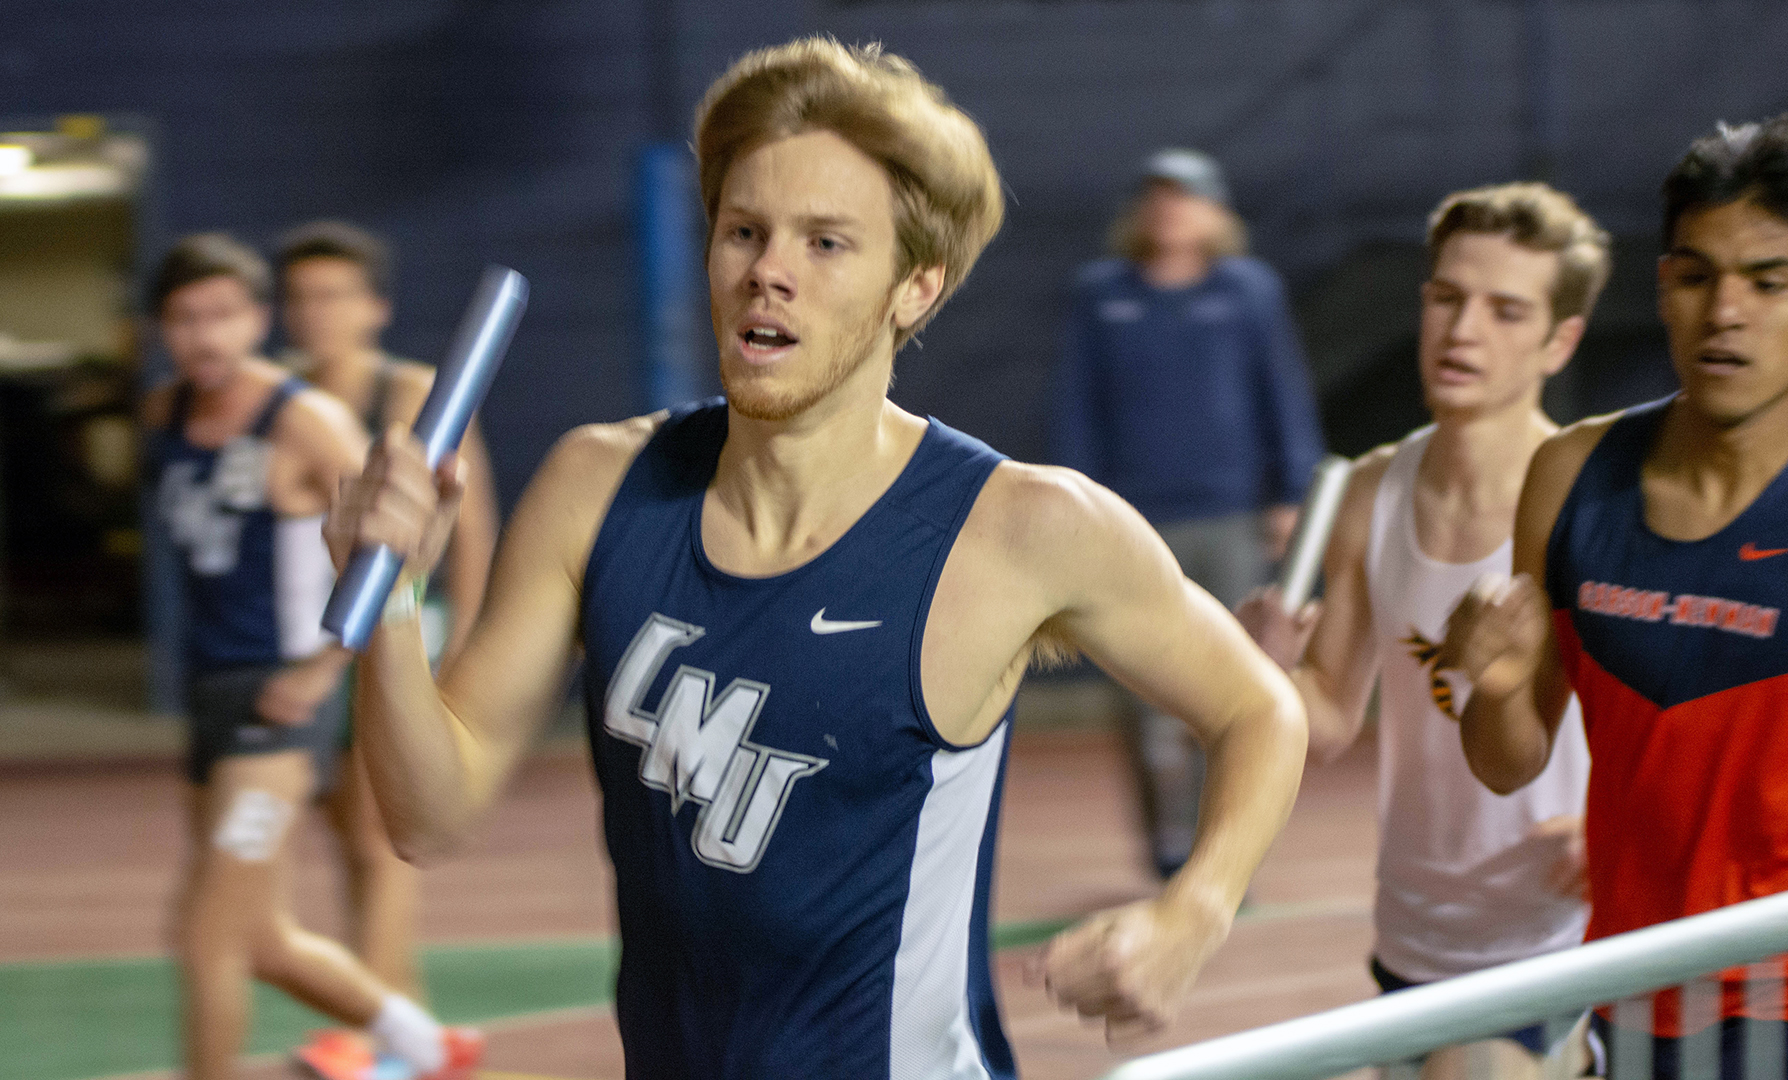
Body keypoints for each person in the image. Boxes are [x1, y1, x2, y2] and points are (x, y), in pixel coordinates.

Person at [327, 38, 1308, 1076]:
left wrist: (1195, 910)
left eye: (826, 243)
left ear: (914, 288)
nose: (768, 272)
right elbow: (428, 817)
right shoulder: (599, 487)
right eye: (743, 230)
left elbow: (1259, 709)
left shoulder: (1021, 529)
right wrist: (393, 594)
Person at [1441, 115, 1788, 1075]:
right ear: (1663, 287)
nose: (1725, 312)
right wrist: (1491, 692)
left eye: (1770, 282)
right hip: (1633, 980)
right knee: (1462, 1068)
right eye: (1697, 276)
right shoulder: (1573, 475)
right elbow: (1507, 762)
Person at [1238, 182, 1607, 1078]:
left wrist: (1619, 824)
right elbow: (1326, 714)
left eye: (1504, 309)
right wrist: (1262, 672)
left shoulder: (1591, 504)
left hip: (1549, 936)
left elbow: (1680, 707)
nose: (1463, 329)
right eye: (1447, 297)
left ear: (1558, 340)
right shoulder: (1371, 493)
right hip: (1412, 929)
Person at [140, 234, 480, 1080]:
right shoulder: (161, 417)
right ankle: (422, 1041)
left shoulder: (306, 419)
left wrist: (326, 669)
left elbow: (402, 545)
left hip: (284, 694)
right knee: (259, 934)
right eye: (184, 319)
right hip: (213, 696)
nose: (204, 336)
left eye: (223, 315)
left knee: (208, 932)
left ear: (256, 321)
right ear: (161, 329)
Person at [1052, 148, 1326, 879]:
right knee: (1144, 702)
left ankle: (1220, 844)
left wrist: (1290, 491)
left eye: (1186, 197)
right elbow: (1077, 409)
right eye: (1158, 197)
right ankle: (1165, 847)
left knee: (1233, 689)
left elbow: (1283, 392)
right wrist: (1076, 508)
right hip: (1135, 531)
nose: (1170, 211)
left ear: (1215, 213)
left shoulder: (1249, 292)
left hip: (1231, 520)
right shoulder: (1101, 295)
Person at [273, 221, 500, 1066]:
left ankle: (369, 1036)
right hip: (316, 643)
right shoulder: (287, 399)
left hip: (402, 638)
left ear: (374, 307)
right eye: (299, 297)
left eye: (332, 295)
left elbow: (470, 529)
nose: (313, 313)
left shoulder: (410, 396)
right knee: (351, 846)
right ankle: (415, 1029)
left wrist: (462, 652)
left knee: (380, 840)